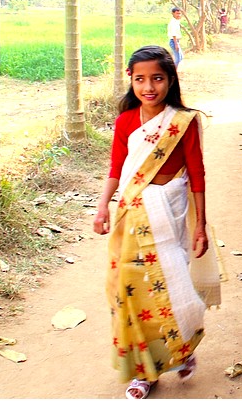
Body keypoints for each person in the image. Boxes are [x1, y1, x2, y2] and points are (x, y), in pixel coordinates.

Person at [93, 45, 220, 399]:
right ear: (130, 81)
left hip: (169, 212)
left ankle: (180, 349)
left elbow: (197, 174)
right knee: (131, 292)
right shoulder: (125, 122)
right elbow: (116, 170)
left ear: (170, 80)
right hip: (131, 214)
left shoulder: (183, 122)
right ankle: (143, 371)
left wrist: (200, 225)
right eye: (140, 79)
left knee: (173, 283)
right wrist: (102, 207)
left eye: (157, 79)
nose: (149, 87)